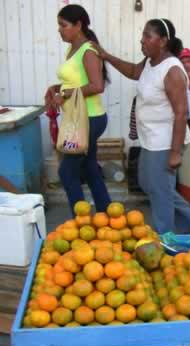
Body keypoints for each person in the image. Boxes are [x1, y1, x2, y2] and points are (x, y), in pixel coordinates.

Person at [92, 18, 190, 234]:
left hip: (166, 142)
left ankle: (165, 241)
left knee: (160, 191)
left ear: (162, 41)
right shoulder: (150, 61)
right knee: (146, 181)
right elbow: (134, 71)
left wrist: (174, 153)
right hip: (150, 138)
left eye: (147, 36)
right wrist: (106, 56)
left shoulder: (172, 70)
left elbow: (181, 113)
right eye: (142, 35)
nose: (141, 40)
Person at [44, 4, 111, 214]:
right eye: (59, 25)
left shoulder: (88, 51)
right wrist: (57, 87)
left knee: (66, 172)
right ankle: (107, 213)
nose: (59, 30)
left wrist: (63, 94)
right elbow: (75, 81)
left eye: (63, 25)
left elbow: (96, 86)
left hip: (89, 119)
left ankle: (80, 222)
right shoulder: (72, 48)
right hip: (80, 118)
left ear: (78, 25)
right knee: (89, 168)